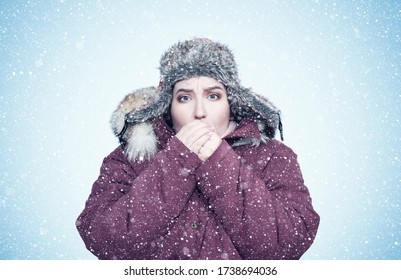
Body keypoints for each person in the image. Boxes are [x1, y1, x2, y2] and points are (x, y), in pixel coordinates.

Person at [76, 38, 320, 260]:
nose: (199, 111)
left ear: (231, 101)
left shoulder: (273, 156)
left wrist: (219, 161)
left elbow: (289, 244)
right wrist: (178, 160)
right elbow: (102, 239)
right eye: (184, 97)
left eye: (213, 96)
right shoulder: (130, 158)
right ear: (167, 105)